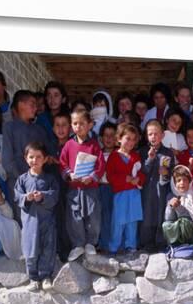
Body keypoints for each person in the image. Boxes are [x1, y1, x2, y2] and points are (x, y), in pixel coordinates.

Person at [60, 109, 106, 261]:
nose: (78, 127)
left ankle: (91, 243)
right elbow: (62, 163)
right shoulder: (68, 145)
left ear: (90, 125)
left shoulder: (94, 146)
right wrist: (69, 174)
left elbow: (100, 165)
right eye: (74, 123)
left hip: (90, 188)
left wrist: (91, 177)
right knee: (74, 217)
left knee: (93, 216)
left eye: (82, 123)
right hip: (74, 188)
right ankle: (78, 244)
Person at [2, 90, 53, 223]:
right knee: (23, 223)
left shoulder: (39, 130)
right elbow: (7, 160)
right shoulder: (9, 128)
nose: (36, 108)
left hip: (39, 184)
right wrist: (23, 179)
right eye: (32, 104)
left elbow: (48, 156)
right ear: (20, 105)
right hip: (17, 184)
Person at [14, 142, 60, 291]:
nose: (35, 160)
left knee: (48, 247)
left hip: (47, 221)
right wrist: (26, 198)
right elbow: (17, 196)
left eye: (39, 157)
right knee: (30, 249)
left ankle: (45, 276)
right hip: (29, 222)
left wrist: (42, 196)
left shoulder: (50, 179)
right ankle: (33, 278)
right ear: (26, 158)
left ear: (45, 159)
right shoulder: (22, 179)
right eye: (31, 157)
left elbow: (54, 195)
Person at [106, 124, 146, 255]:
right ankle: (114, 246)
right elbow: (110, 176)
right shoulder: (113, 156)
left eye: (134, 139)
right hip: (120, 194)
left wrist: (138, 179)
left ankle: (131, 245)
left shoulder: (136, 156)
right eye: (127, 138)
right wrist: (126, 178)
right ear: (119, 139)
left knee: (132, 220)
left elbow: (141, 173)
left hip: (134, 194)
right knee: (118, 221)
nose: (130, 142)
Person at [139, 119, 175, 251]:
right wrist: (150, 159)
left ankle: (161, 242)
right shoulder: (143, 151)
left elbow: (173, 172)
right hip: (147, 190)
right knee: (147, 215)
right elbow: (142, 171)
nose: (153, 137)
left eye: (156, 134)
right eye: (150, 134)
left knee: (161, 215)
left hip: (162, 189)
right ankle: (146, 243)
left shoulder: (168, 152)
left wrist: (167, 172)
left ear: (162, 135)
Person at [162, 165, 193, 258]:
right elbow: (168, 219)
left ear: (189, 181)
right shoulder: (171, 196)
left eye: (185, 180)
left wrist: (179, 207)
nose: (182, 183)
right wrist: (171, 206)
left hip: (192, 229)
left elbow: (191, 217)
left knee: (185, 221)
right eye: (179, 180)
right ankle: (176, 245)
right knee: (165, 225)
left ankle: (190, 244)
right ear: (174, 183)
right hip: (177, 230)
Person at [50, 111, 73, 262]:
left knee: (70, 220)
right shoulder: (49, 147)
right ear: (52, 128)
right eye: (57, 125)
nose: (60, 129)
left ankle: (71, 249)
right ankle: (59, 250)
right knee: (57, 219)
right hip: (55, 188)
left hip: (71, 188)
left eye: (64, 125)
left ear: (70, 128)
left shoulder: (74, 145)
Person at [98, 121, 118, 253]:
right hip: (101, 188)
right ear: (100, 138)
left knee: (116, 217)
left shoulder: (120, 154)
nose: (109, 138)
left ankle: (116, 245)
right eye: (106, 135)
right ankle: (103, 245)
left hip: (117, 189)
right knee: (103, 216)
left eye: (112, 135)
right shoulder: (97, 154)